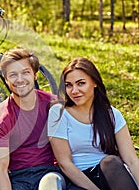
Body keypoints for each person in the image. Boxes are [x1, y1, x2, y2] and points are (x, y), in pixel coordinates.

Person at [48, 57, 139, 190]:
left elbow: (131, 160)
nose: (74, 91)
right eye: (69, 85)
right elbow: (65, 164)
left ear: (95, 83)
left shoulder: (112, 114)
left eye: (81, 83)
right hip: (78, 180)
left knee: (111, 162)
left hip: (110, 175)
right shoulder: (58, 113)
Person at [0, 47, 66, 190]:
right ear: (5, 79)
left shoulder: (53, 105)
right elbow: (0, 169)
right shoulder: (0, 118)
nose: (20, 79)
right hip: (18, 178)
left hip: (50, 173)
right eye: (13, 75)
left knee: (50, 184)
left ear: (35, 75)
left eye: (25, 73)